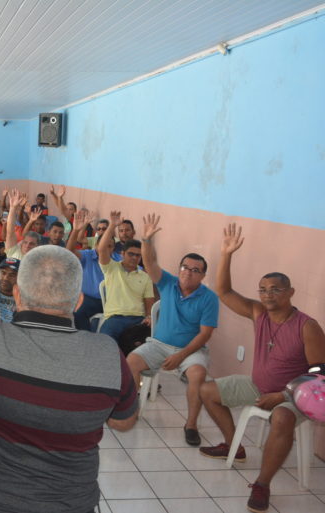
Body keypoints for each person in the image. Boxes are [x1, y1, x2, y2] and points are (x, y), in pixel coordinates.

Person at [0, 241, 138, 513]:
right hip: (69, 504)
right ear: (78, 302)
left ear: (17, 296)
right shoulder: (108, 354)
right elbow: (124, 422)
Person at [198, 223, 325, 512]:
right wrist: (226, 253)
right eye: (263, 290)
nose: (268, 295)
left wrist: (283, 395)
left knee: (281, 419)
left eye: (276, 290)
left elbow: (320, 373)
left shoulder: (308, 327)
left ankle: (262, 484)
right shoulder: (258, 313)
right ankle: (234, 446)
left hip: (293, 395)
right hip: (257, 385)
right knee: (206, 390)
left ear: (290, 292)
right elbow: (224, 290)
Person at [126, 213, 218, 447]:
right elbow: (149, 264)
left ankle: (191, 425)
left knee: (198, 376)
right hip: (158, 344)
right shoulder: (168, 283)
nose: (188, 272)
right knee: (131, 362)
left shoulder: (209, 298)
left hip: (190, 349)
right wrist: (146, 240)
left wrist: (181, 355)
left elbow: (205, 334)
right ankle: (131, 410)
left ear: (203, 276)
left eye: (195, 270)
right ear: (179, 269)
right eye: (185, 267)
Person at [97, 211, 154, 344]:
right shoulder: (111, 268)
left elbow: (149, 303)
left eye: (138, 255)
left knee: (140, 348)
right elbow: (101, 249)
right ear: (122, 253)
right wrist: (112, 226)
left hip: (137, 319)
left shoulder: (145, 277)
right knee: (104, 345)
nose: (134, 258)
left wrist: (149, 317)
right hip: (114, 318)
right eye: (131, 254)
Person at [65, 209, 120, 331]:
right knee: (79, 313)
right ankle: (86, 339)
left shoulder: (118, 259)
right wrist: (76, 230)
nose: (106, 250)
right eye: (103, 246)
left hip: (113, 301)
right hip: (90, 299)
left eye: (109, 247)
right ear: (96, 246)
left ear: (114, 248)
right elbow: (69, 252)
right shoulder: (88, 255)